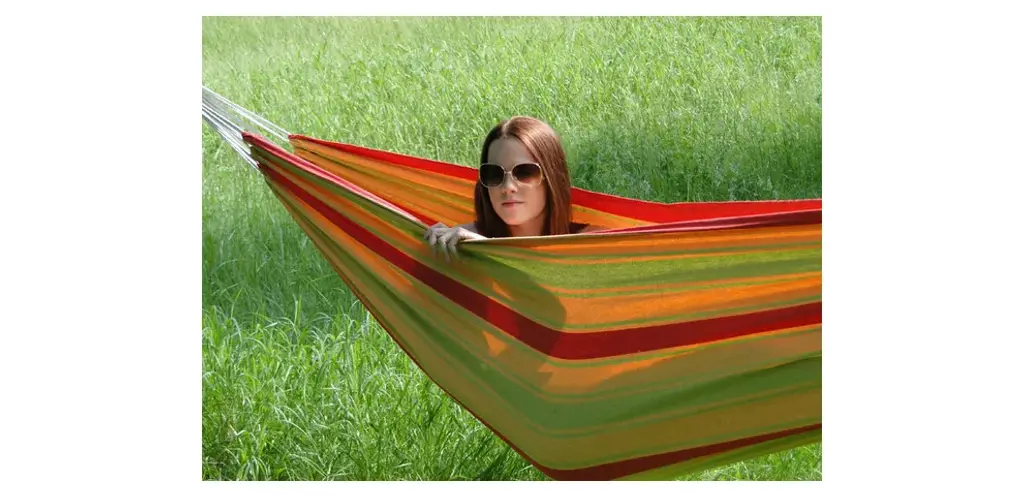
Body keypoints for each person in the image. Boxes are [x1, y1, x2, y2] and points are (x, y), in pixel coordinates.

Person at [424, 116, 601, 262]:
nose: (507, 187)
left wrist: (492, 252)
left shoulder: (595, 246)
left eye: (524, 172)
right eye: (494, 174)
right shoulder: (459, 245)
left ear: (551, 178)